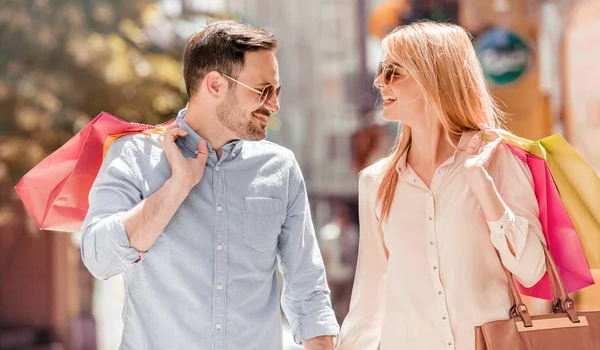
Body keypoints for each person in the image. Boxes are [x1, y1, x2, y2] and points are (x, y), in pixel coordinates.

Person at [81, 21, 339, 350]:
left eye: (277, 92)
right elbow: (99, 259)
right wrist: (178, 186)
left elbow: (308, 291)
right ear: (215, 85)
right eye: (263, 91)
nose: (274, 105)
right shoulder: (134, 156)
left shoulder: (281, 168)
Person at [336, 21, 547, 350]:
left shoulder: (500, 160)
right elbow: (370, 298)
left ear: (431, 77)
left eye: (393, 71)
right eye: (381, 71)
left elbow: (532, 271)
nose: (379, 82)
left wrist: (484, 188)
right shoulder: (376, 182)